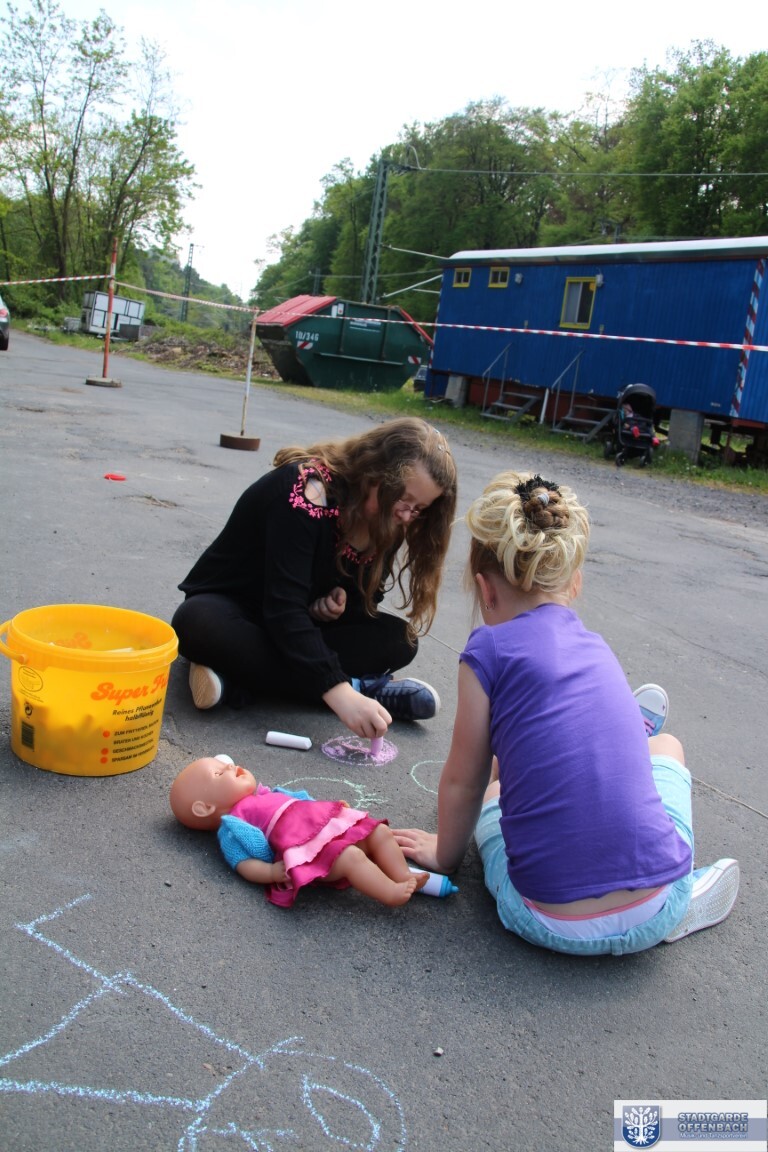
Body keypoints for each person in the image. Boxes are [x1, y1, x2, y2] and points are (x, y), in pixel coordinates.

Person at [394, 471, 740, 956]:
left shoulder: (487, 651)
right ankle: (677, 890)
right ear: (573, 582)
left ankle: (604, 750)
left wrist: (444, 854)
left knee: (494, 790)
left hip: (547, 921)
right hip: (655, 908)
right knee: (667, 746)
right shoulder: (596, 647)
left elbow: (464, 781)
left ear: (485, 590)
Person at [171, 417, 457, 736]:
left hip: (294, 625)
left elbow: (364, 603)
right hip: (238, 609)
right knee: (196, 622)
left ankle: (233, 677)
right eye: (402, 498)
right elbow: (283, 608)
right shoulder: (306, 490)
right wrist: (341, 693)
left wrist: (336, 603)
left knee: (400, 640)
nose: (406, 514)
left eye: (419, 508)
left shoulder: (391, 519)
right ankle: (362, 689)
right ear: (373, 470)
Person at [170, 755, 429, 908]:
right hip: (307, 849)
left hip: (326, 826)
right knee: (351, 857)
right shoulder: (232, 825)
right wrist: (271, 872)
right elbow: (243, 863)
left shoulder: (266, 794)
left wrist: (332, 809)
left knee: (378, 832)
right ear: (204, 808)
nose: (229, 766)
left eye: (224, 763)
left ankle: (403, 874)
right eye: (218, 773)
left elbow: (302, 803)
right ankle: (390, 892)